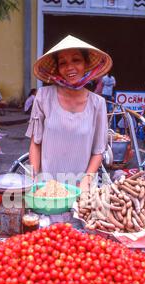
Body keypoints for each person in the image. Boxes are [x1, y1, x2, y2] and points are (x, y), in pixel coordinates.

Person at [26, 35, 113, 191]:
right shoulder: (43, 97)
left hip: (81, 190)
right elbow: (35, 142)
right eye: (63, 63)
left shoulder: (97, 104)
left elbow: (98, 150)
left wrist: (85, 183)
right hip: (46, 188)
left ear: (86, 64)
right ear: (58, 69)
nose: (70, 67)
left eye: (76, 60)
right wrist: (32, 179)